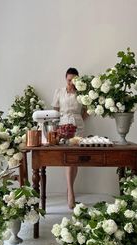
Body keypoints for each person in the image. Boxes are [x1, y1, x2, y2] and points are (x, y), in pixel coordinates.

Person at [51, 67, 88, 209]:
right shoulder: (59, 92)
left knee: (75, 159)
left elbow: (87, 111)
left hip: (78, 127)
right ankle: (71, 192)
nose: (71, 83)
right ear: (65, 78)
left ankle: (69, 190)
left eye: (74, 80)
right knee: (68, 158)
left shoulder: (83, 94)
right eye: (69, 80)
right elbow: (54, 111)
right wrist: (55, 130)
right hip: (63, 126)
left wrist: (80, 120)